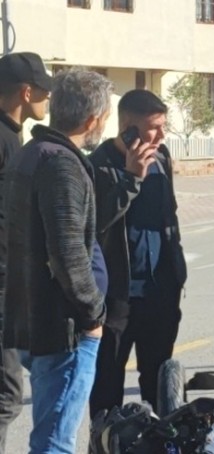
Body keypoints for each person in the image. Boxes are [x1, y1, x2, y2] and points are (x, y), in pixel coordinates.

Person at [4, 68, 112, 453]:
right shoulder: (60, 163)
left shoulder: (31, 153)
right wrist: (93, 314)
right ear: (93, 119)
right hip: (63, 326)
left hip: (35, 318)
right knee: (55, 441)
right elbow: (67, 254)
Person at [87, 90, 187, 417]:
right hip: (117, 298)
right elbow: (95, 224)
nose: (161, 134)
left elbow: (168, 219)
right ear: (128, 127)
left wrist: (177, 274)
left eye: (163, 126)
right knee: (107, 388)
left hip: (160, 293)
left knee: (160, 386)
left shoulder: (162, 158)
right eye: (153, 127)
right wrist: (131, 178)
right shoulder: (97, 166)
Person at [0, 51, 52, 454]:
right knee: (5, 396)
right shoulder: (4, 139)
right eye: (45, 91)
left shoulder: (13, 135)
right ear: (26, 91)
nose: (48, 100)